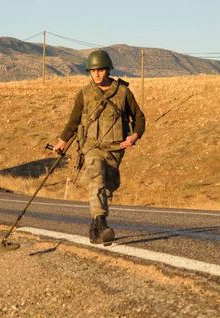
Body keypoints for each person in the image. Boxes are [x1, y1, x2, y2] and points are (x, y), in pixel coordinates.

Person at [53, 50, 146, 244]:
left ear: (108, 69)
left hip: (115, 149)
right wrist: (62, 142)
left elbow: (139, 117)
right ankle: (102, 224)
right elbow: (73, 121)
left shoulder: (123, 92)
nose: (97, 74)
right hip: (91, 148)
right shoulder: (85, 94)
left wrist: (133, 137)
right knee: (96, 180)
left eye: (101, 70)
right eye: (93, 70)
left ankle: (95, 228)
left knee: (108, 187)